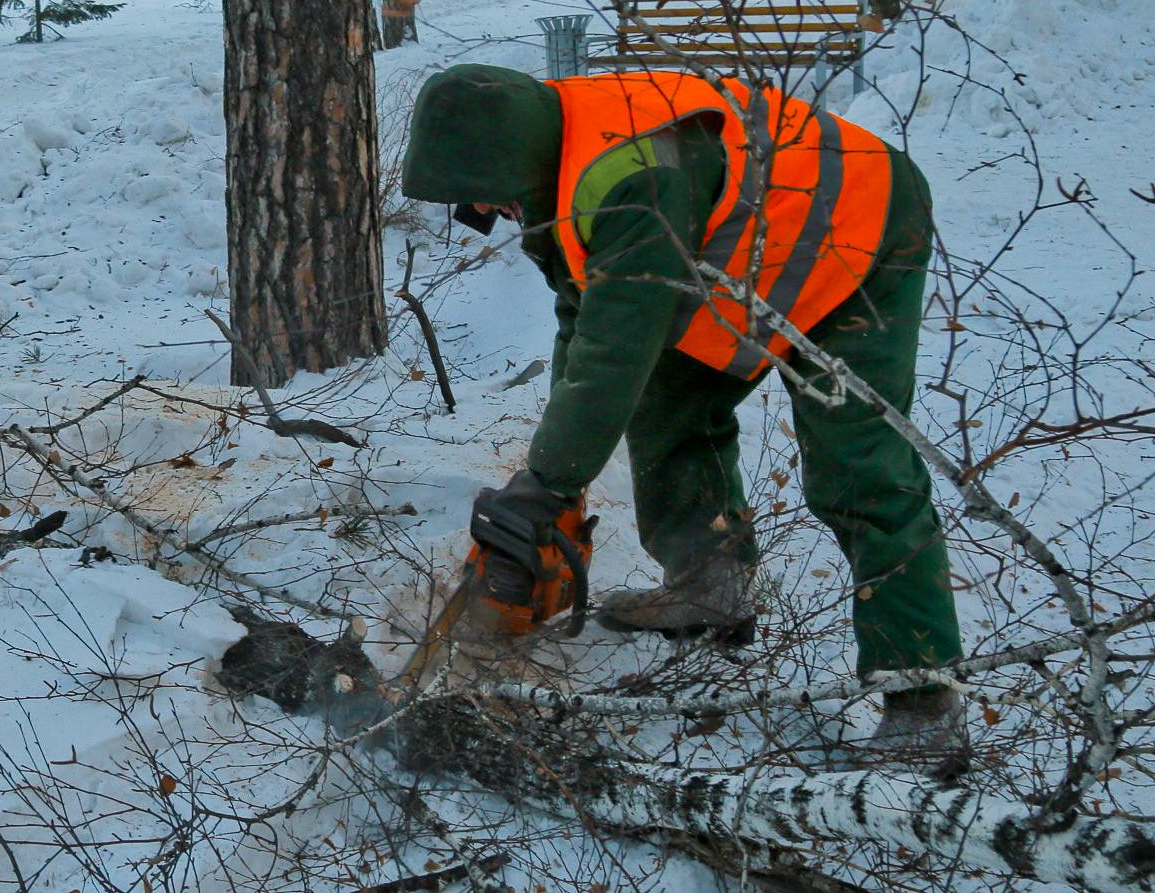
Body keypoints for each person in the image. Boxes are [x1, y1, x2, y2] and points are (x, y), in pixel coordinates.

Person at [401, 64, 965, 763]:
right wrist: (551, 481)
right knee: (665, 396)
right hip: (749, 250)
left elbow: (612, 355)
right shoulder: (560, 171)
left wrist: (544, 484)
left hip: (864, 226)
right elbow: (587, 324)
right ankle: (710, 584)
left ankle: (922, 695)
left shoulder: (634, 179)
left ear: (510, 168)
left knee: (859, 467)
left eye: (487, 200)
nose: (489, 216)